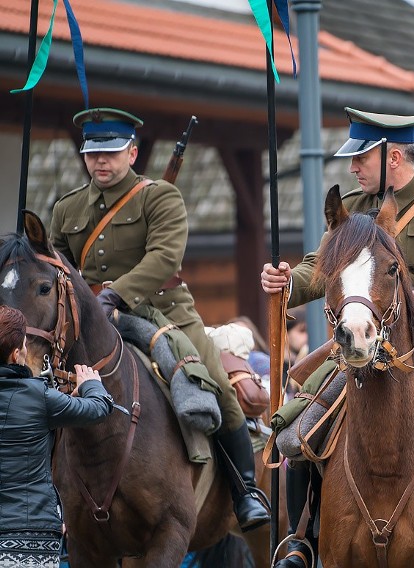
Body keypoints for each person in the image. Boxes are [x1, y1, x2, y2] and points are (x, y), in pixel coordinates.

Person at [261, 107, 414, 568]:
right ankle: (299, 541)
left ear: (393, 156)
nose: (352, 168)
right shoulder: (353, 214)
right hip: (366, 339)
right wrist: (286, 281)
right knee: (299, 424)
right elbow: (317, 271)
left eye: (360, 159)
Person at [49, 107, 270, 532]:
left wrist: (114, 294)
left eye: (111, 152)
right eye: (93, 153)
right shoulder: (68, 207)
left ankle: (245, 491)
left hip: (165, 311)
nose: (101, 161)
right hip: (92, 321)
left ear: (132, 153)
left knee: (216, 385)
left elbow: (165, 257)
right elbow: (58, 265)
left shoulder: (160, 197)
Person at [0, 306, 114, 568]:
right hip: (34, 533)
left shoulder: (43, 400)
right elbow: (100, 408)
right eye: (26, 346)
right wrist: (91, 384)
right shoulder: (39, 397)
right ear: (17, 354)